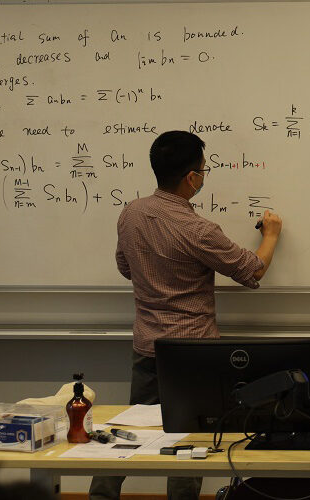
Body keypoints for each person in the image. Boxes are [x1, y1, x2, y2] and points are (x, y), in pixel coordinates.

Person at [89, 131, 282, 500]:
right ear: (192, 178)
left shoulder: (131, 212)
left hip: (148, 347)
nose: (204, 175)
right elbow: (252, 271)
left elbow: (125, 267)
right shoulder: (198, 229)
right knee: (187, 442)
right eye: (203, 170)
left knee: (130, 433)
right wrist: (271, 234)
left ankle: (101, 496)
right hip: (193, 353)